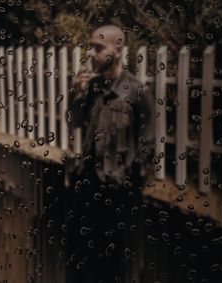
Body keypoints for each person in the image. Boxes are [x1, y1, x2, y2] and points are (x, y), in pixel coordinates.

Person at [65, 24, 155, 282]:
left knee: (115, 266)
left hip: (119, 194)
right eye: (91, 46)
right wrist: (75, 93)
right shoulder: (92, 87)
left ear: (117, 48)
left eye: (98, 47)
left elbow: (147, 143)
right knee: (87, 260)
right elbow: (73, 123)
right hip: (88, 186)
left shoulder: (138, 91)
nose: (92, 53)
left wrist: (128, 181)